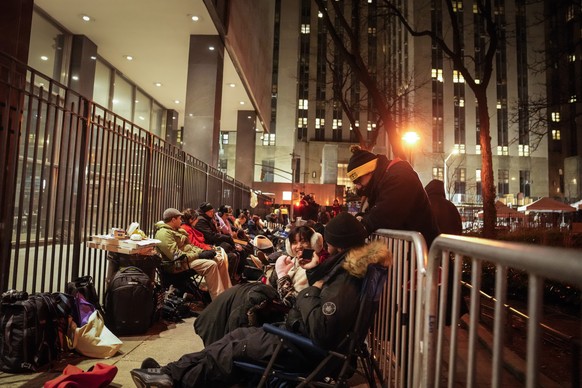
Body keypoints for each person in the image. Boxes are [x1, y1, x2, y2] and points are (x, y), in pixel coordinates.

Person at [130, 213, 391, 388]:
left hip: (305, 349)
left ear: (336, 244)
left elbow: (322, 329)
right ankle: (171, 371)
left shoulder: (347, 278)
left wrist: (311, 291)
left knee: (235, 347)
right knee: (237, 336)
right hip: (301, 339)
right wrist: (314, 276)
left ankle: (174, 379)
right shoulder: (350, 270)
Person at [347, 145, 440, 246]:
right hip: (410, 251)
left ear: (370, 171)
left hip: (422, 252)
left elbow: (385, 214)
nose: (357, 186)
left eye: (358, 180)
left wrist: (360, 227)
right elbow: (376, 212)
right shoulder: (382, 182)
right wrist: (362, 218)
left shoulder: (400, 176)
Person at [154, 208, 231, 300]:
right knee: (211, 265)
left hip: (188, 259)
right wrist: (199, 255)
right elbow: (176, 256)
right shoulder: (164, 234)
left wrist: (202, 251)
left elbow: (190, 246)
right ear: (173, 220)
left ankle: (227, 292)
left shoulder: (177, 230)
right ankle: (218, 300)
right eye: (179, 218)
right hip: (176, 264)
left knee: (219, 260)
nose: (181, 221)